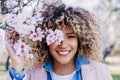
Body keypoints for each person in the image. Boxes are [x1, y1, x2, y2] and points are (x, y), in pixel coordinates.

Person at [5, 2, 113, 80]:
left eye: (70, 36)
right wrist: (17, 67)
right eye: (56, 36)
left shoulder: (100, 71)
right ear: (44, 40)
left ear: (81, 39)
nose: (63, 44)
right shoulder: (31, 75)